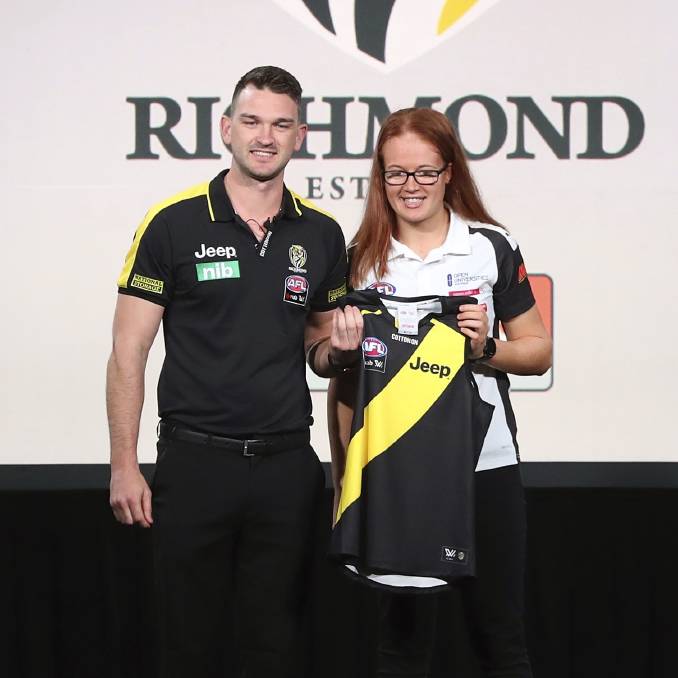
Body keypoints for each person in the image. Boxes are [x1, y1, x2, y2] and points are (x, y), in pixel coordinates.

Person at [106, 65, 363, 678]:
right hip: (196, 464)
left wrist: (344, 351)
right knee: (189, 643)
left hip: (285, 467)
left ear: (300, 135)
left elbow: (320, 352)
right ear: (226, 129)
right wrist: (123, 465)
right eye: (251, 121)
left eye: (281, 124)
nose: (265, 136)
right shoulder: (172, 223)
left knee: (276, 645)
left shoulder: (322, 234)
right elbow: (127, 353)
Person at [328, 107, 552, 677]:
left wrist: (484, 349)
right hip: (396, 467)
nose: (411, 187)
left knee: (500, 636)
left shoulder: (490, 247)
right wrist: (345, 477)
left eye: (425, 172)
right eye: (396, 174)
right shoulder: (359, 261)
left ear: (449, 172)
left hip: (486, 462)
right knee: (402, 644)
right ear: (380, 178)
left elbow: (537, 350)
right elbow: (345, 385)